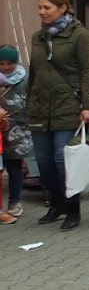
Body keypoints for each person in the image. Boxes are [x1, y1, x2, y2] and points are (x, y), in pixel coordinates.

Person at [26, 0, 89, 231]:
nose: (42, 12)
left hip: (68, 105)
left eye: (47, 7)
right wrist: (28, 103)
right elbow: (34, 73)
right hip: (40, 107)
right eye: (40, 8)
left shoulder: (80, 36)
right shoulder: (38, 37)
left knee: (62, 160)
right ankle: (55, 204)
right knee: (43, 161)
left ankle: (72, 208)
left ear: (63, 8)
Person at [0, 44, 32, 219]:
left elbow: (32, 100)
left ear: (16, 62)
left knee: (14, 167)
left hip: (17, 127)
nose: (5, 67)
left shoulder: (25, 78)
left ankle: (15, 201)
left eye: (9, 63)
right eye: (1, 63)